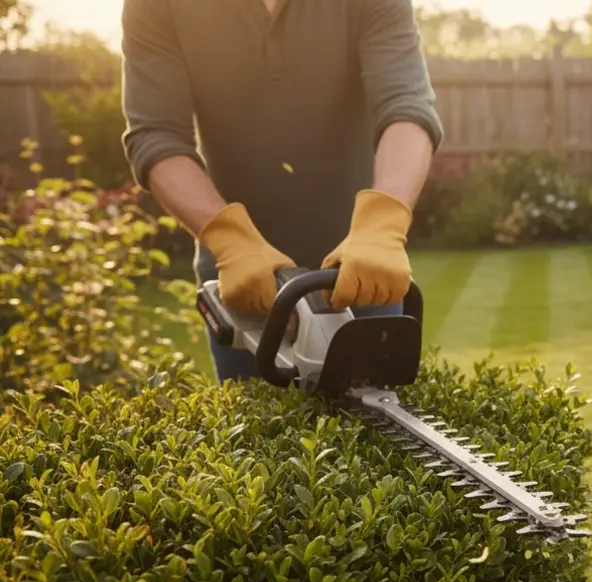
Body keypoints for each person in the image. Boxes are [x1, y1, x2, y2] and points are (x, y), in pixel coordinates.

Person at [120, 0, 444, 382]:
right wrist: (229, 240)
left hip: (364, 273)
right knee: (257, 421)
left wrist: (383, 223)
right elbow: (156, 136)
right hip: (244, 285)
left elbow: (407, 107)